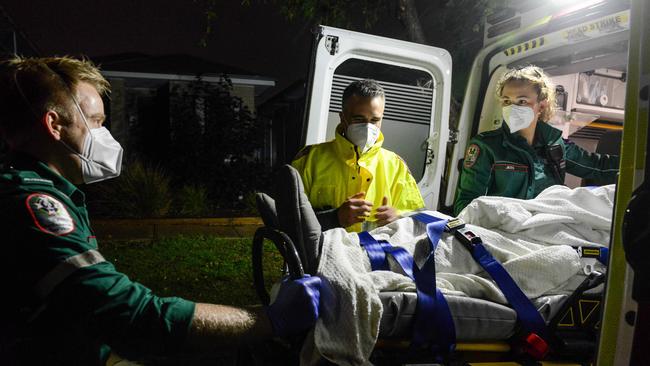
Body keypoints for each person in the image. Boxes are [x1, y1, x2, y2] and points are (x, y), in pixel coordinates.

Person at [0, 56, 321, 365]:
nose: (104, 134)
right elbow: (131, 316)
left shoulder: (49, 190)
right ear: (54, 125)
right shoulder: (33, 204)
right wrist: (269, 319)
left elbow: (76, 311)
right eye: (96, 122)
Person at [453, 65, 620, 215]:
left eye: (522, 101)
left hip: (546, 230)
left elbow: (597, 167)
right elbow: (465, 205)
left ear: (541, 106)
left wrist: (639, 168)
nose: (512, 108)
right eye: (506, 101)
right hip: (505, 231)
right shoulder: (485, 147)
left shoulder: (555, 144)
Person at [291, 79, 425, 233]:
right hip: (325, 255)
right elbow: (289, 221)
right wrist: (334, 217)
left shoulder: (396, 165)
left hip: (376, 256)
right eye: (359, 119)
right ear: (343, 117)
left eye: (375, 120)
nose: (368, 127)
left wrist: (400, 219)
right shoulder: (309, 160)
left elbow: (421, 223)